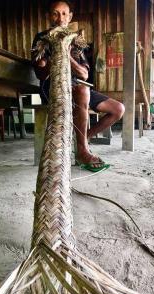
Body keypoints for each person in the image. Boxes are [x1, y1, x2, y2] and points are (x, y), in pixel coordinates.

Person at [32, 0, 125, 172]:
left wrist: (66, 55)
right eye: (55, 13)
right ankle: (82, 150)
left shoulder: (76, 41)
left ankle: (81, 139)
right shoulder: (42, 38)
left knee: (118, 109)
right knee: (83, 90)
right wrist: (47, 62)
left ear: (70, 16)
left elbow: (84, 74)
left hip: (77, 86)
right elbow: (40, 74)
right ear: (50, 16)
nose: (60, 18)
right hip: (52, 87)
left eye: (64, 13)